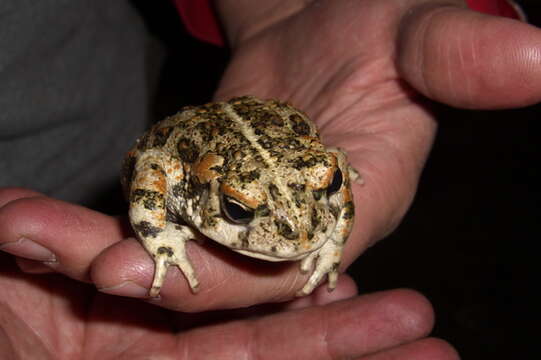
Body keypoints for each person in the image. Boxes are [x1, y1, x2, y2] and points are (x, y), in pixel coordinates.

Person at [0, 0, 537, 357]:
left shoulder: (315, 181)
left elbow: (328, 170)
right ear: (217, 198)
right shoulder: (184, 178)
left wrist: (283, 8)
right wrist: (160, 235)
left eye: (322, 189)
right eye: (239, 210)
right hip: (168, 146)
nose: (297, 233)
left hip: (96, 83)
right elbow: (152, 165)